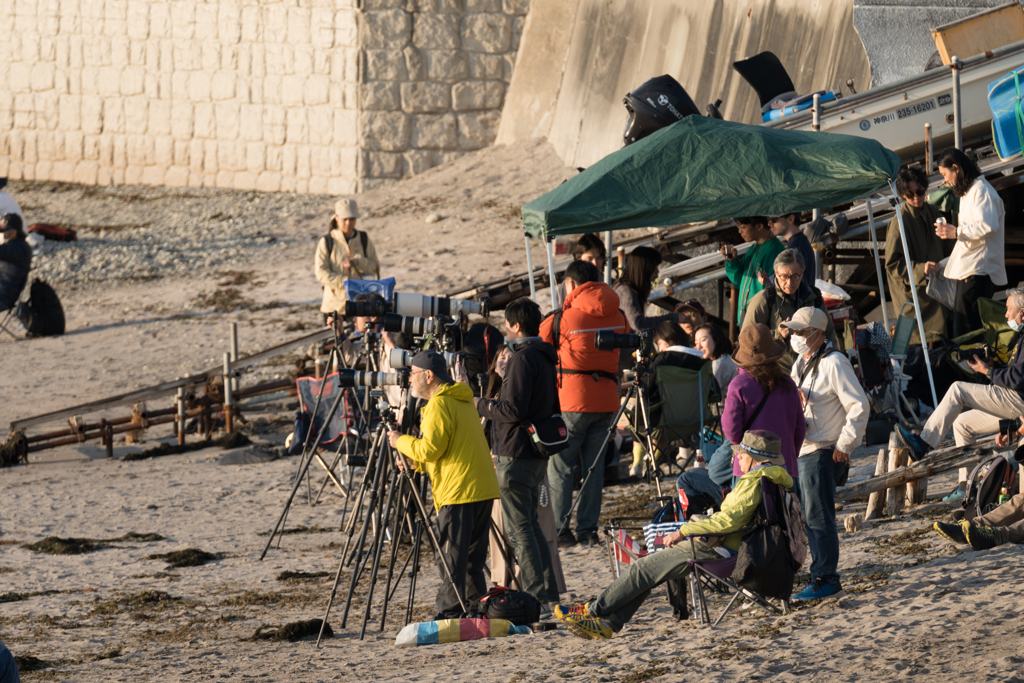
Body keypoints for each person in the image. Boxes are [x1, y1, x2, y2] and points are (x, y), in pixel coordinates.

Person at [554, 430, 794, 639]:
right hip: (734, 545)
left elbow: (729, 521)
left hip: (720, 550)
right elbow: (734, 518)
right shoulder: (773, 477)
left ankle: (592, 611)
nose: (737, 457)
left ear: (754, 458)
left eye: (742, 453)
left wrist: (684, 530)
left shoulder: (753, 481)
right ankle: (608, 623)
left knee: (643, 568)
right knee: (651, 571)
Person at [388, 351, 500, 619]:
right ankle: (475, 609)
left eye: (413, 373)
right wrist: (416, 464)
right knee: (472, 561)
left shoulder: (439, 404)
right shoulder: (461, 399)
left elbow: (430, 449)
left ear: (429, 375)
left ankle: (450, 612)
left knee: (451, 559)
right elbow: (450, 449)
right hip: (481, 487)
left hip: (458, 491)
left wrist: (399, 440)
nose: (409, 379)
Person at [475, 298, 561, 613]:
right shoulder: (544, 356)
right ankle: (548, 593)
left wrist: (479, 404)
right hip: (535, 450)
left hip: (516, 452)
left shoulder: (523, 358)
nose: (506, 331)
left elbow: (512, 410)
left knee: (520, 529)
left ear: (515, 325)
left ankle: (538, 596)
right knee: (531, 526)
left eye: (507, 325)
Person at [784, 307, 869, 601]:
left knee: (818, 518)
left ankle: (826, 579)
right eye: (794, 331)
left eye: (801, 331)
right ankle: (820, 576)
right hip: (805, 450)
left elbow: (859, 405)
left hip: (822, 450)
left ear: (818, 333)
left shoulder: (834, 362)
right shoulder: (801, 362)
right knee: (810, 519)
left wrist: (845, 445)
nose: (795, 336)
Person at [541, 260, 627, 547]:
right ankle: (588, 530)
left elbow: (537, 343)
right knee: (594, 469)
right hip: (607, 402)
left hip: (572, 402)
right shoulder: (619, 314)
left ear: (570, 284)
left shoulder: (563, 319)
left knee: (561, 468)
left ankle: (561, 531)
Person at [898, 287, 1024, 460]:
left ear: (1022, 312)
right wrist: (993, 365)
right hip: (1014, 399)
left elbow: (1018, 378)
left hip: (1018, 400)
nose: (1006, 315)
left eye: (1008, 309)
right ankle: (968, 477)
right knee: (961, 423)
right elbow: (1016, 373)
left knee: (958, 390)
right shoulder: (1021, 335)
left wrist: (988, 371)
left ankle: (923, 443)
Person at [934, 148, 1006, 338]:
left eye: (945, 174)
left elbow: (988, 226)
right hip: (973, 269)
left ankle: (973, 358)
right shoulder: (971, 191)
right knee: (966, 328)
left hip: (978, 270)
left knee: (967, 330)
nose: (945, 180)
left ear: (956, 168)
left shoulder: (981, 191)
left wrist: (956, 232)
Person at [722, 323, 806, 483]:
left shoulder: (739, 385)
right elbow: (800, 429)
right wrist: (788, 455)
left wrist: (748, 450)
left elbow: (731, 431)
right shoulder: (788, 383)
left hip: (749, 469)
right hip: (785, 468)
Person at [628, 321, 708, 477]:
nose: (659, 349)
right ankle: (651, 461)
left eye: (659, 343)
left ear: (669, 340)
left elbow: (645, 388)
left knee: (639, 411)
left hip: (665, 422)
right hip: (695, 421)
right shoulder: (702, 362)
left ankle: (639, 463)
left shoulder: (662, 360)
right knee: (662, 416)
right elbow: (714, 392)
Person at [741, 249, 837, 373]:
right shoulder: (763, 300)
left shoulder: (814, 297)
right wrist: (778, 334)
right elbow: (745, 340)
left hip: (813, 373)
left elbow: (829, 332)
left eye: (795, 276)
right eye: (784, 277)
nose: (789, 283)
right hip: (777, 375)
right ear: (776, 273)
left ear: (802, 273)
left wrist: (834, 360)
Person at [885, 166, 950, 344]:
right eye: (910, 194)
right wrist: (921, 269)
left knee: (941, 344)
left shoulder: (933, 212)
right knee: (915, 347)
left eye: (920, 192)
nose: (916, 198)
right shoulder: (898, 223)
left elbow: (947, 245)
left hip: (937, 292)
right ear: (902, 195)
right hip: (913, 299)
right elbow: (892, 266)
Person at [314, 198, 380, 322]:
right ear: (336, 217)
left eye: (352, 219)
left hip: (360, 307)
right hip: (334, 307)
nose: (348, 223)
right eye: (345, 219)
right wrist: (346, 283)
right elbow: (321, 273)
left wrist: (359, 262)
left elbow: (375, 267)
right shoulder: (327, 241)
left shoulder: (364, 239)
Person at [721, 216, 785, 323]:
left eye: (743, 227)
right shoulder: (754, 248)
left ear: (759, 226)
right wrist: (732, 261)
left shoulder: (774, 250)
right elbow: (739, 280)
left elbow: (775, 290)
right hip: (748, 316)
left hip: (761, 319)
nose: (739, 231)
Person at [613, 246, 679, 336]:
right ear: (644, 268)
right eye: (654, 266)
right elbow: (638, 324)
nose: (657, 271)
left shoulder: (626, 288)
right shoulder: (625, 291)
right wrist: (673, 318)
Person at [769, 213, 815, 291]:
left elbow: (795, 284)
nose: (769, 223)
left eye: (773, 219)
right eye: (768, 219)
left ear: (790, 219)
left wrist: (770, 280)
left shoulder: (796, 247)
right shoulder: (799, 242)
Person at [556, 233, 607, 303]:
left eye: (599, 258)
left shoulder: (608, 281)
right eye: (589, 259)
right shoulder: (570, 284)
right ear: (578, 258)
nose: (595, 263)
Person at [692, 322, 738, 396]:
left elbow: (709, 395)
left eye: (703, 340)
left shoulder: (718, 363)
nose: (699, 347)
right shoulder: (726, 358)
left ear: (716, 339)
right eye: (696, 343)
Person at [0, 214, 31, 314]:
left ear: (13, 231)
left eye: (3, 231)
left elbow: (3, 252)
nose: (1, 234)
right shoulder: (12, 245)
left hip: (4, 298)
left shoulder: (20, 248)